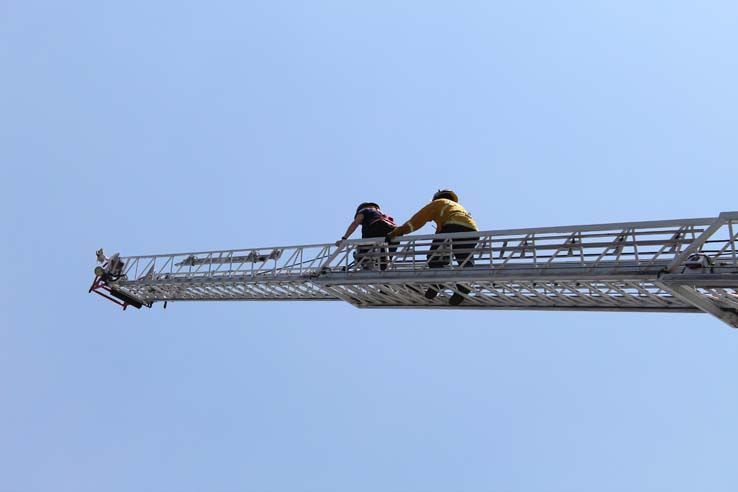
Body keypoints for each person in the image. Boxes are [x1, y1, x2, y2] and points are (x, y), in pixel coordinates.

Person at [386, 189, 479, 305]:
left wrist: (399, 231)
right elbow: (440, 232)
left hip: (453, 226)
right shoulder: (457, 207)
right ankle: (464, 286)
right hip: (472, 230)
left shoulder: (438, 203)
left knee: (434, 256)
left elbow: (417, 220)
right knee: (464, 259)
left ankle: (438, 281)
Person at [336, 202, 397, 270]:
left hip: (378, 226)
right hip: (394, 232)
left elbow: (355, 223)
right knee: (384, 259)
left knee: (362, 246)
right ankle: (383, 266)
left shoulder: (365, 210)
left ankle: (364, 261)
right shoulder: (382, 215)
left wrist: (344, 238)